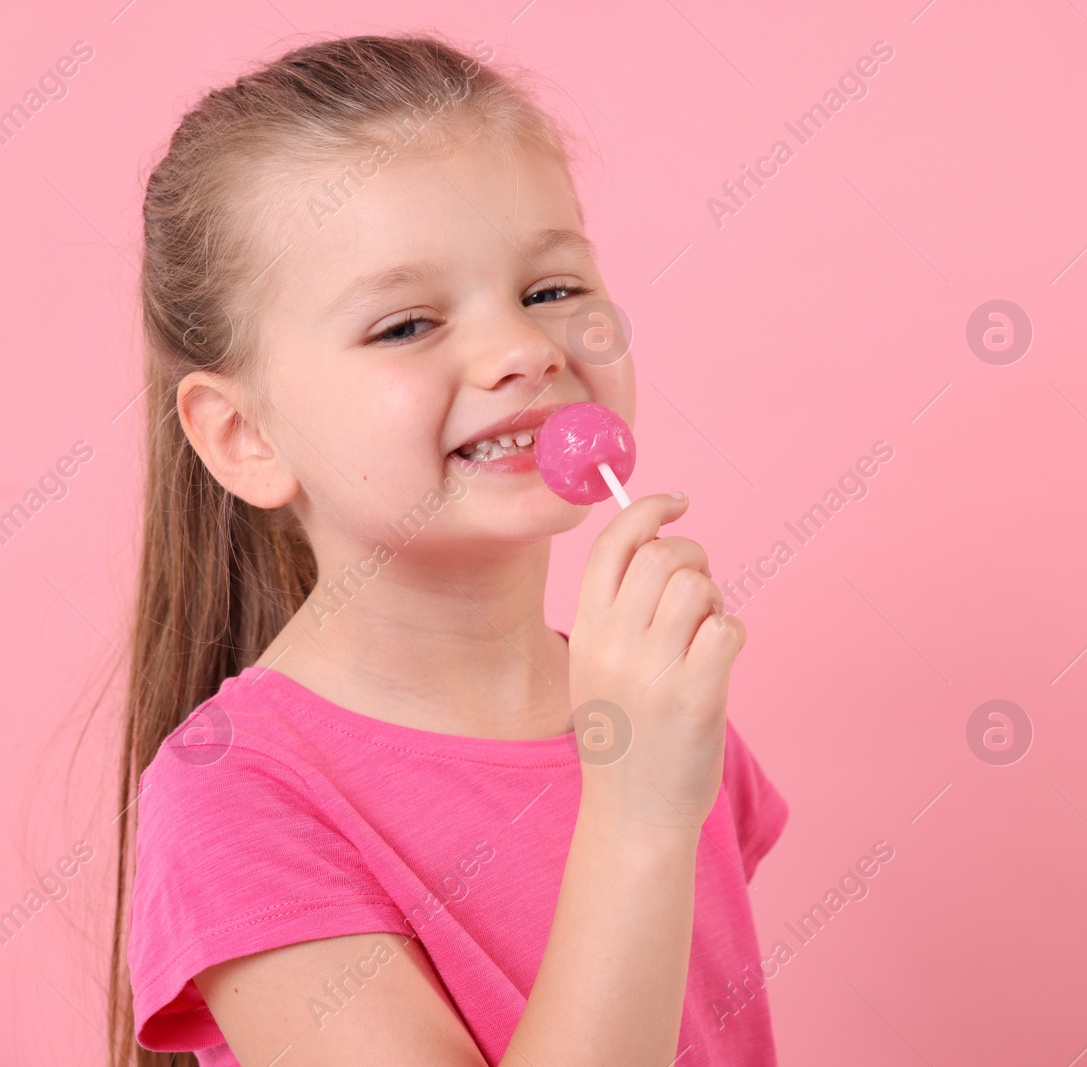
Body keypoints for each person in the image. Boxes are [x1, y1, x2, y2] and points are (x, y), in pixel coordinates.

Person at [107, 33, 786, 1067]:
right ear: (244, 437)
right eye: (407, 324)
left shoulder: (654, 701)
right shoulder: (234, 798)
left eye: (550, 289)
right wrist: (639, 805)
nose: (523, 350)